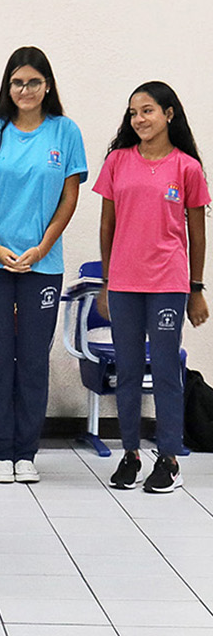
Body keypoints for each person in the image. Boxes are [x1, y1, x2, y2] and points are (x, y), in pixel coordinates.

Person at [0, 46, 86, 484]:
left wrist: (43, 246)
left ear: (47, 85)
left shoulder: (65, 131)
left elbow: (69, 196)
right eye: (17, 82)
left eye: (33, 82)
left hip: (42, 264)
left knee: (33, 359)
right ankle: (1, 452)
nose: (25, 90)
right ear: (7, 86)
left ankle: (26, 453)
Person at [95, 81, 209, 492]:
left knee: (164, 371)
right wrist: (106, 282)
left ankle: (169, 459)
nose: (139, 119)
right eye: (133, 113)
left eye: (147, 111)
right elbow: (107, 225)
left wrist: (196, 288)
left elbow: (197, 234)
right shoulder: (117, 162)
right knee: (126, 372)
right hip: (124, 283)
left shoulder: (187, 168)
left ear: (168, 114)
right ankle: (130, 454)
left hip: (168, 283)